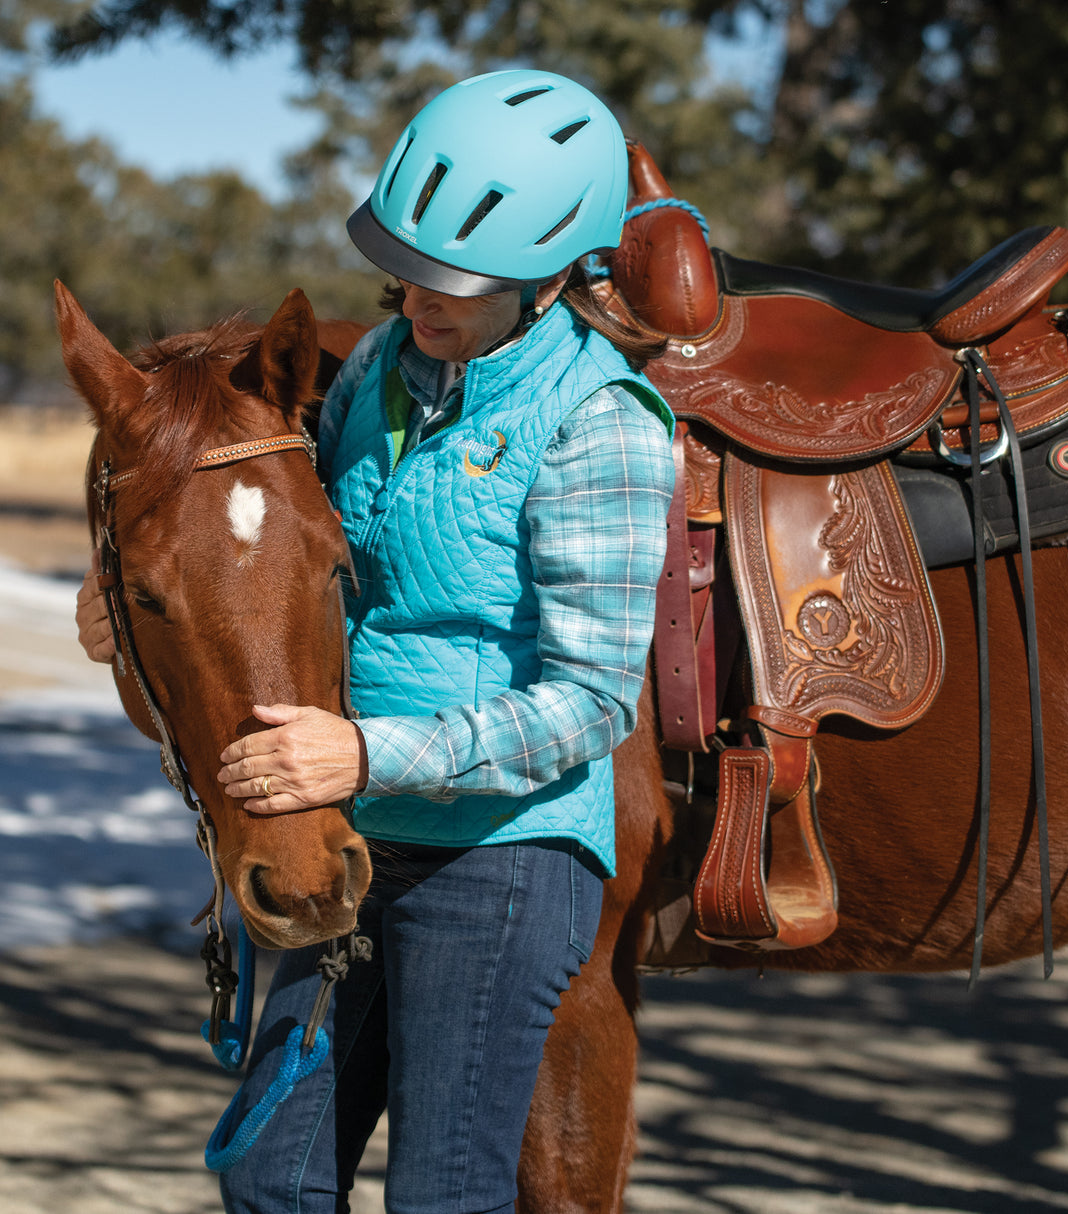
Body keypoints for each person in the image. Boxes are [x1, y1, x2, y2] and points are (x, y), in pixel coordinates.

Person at [76, 69, 675, 1213]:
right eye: (402, 267)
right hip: (343, 826)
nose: (415, 299)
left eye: (453, 282)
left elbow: (595, 701)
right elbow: (294, 573)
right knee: (268, 1174)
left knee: (444, 1193)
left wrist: (363, 755)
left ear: (550, 271)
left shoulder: (597, 420)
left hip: (498, 852)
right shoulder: (369, 378)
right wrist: (130, 616)